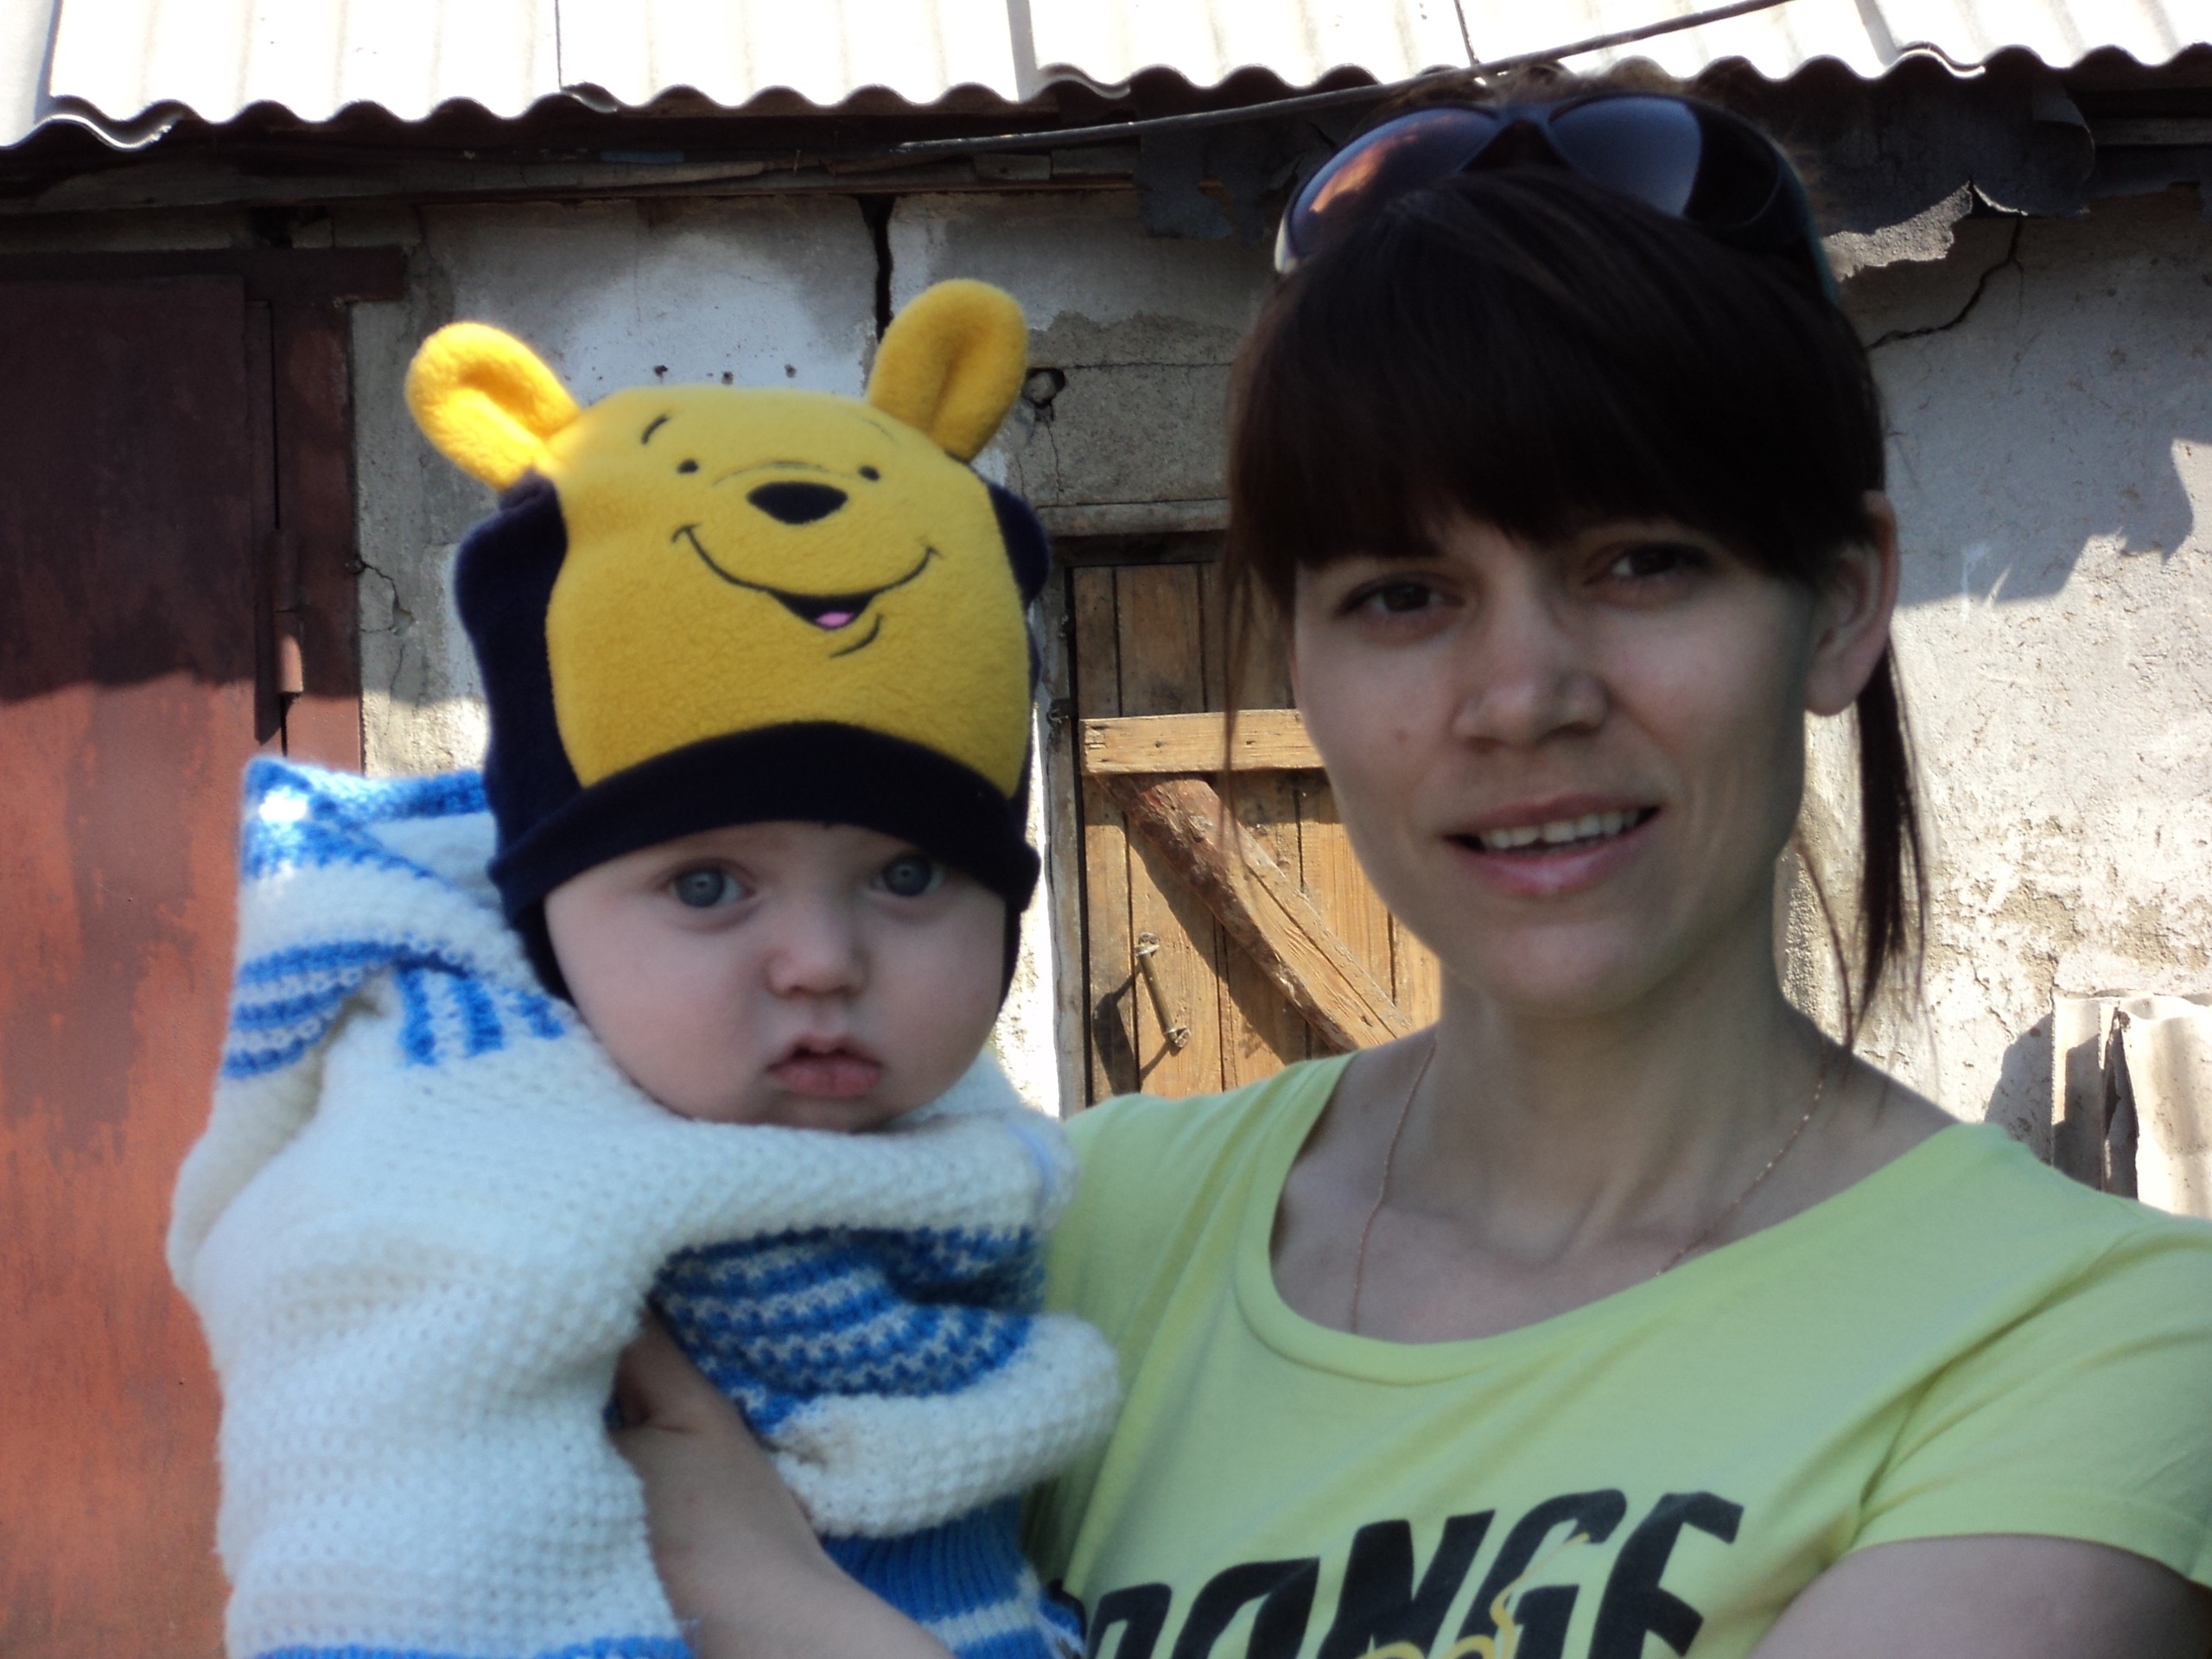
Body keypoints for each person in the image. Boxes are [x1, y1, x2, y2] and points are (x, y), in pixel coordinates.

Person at [611, 73, 2212, 1658]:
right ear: (1294, 657)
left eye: (1641, 563)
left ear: (1844, 601)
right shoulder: (1084, 1233)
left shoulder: (2093, 1340)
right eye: (1402, 594)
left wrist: (763, 1600)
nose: (1521, 696)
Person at [168, 282, 1116, 1659]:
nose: (821, 963)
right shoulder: (450, 1164)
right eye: (707, 886)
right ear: (547, 912)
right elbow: (383, 1560)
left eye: (910, 876)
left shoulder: (971, 1140)